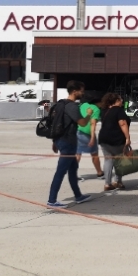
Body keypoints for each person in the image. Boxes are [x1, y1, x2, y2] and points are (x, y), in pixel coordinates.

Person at [47, 80, 94, 209]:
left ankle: (78, 196)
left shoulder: (59, 104)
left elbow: (55, 123)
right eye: (81, 91)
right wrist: (89, 115)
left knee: (73, 170)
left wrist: (55, 141)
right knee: (61, 171)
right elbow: (83, 123)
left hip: (62, 140)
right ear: (75, 91)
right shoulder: (72, 106)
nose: (82, 93)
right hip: (68, 142)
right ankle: (52, 200)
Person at [98, 93, 132, 191]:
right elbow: (122, 123)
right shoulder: (118, 110)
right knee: (120, 160)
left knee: (108, 160)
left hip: (104, 139)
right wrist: (127, 138)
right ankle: (118, 181)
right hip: (116, 139)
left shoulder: (104, 111)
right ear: (116, 100)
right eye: (121, 99)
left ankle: (107, 184)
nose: (122, 101)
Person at [76, 96, 105, 180]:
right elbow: (93, 124)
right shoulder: (96, 109)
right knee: (94, 154)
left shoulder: (83, 105)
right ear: (99, 102)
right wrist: (92, 137)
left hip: (77, 131)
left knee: (78, 154)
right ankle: (99, 173)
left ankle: (73, 173)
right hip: (87, 133)